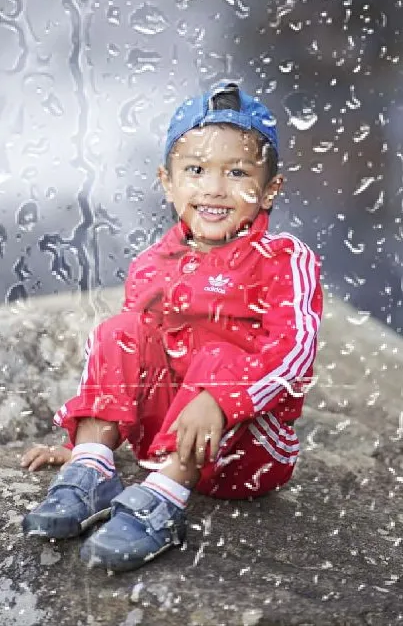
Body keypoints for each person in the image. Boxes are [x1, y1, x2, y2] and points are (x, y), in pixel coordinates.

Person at [22, 81, 323, 572]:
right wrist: (81, 440)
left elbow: (295, 352)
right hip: (162, 435)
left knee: (219, 354)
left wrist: (224, 398)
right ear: (168, 181)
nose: (214, 188)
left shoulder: (284, 259)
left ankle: (162, 501)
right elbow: (127, 368)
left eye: (238, 173)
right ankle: (93, 466)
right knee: (120, 330)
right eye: (196, 170)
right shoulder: (152, 262)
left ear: (269, 189)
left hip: (245, 448)